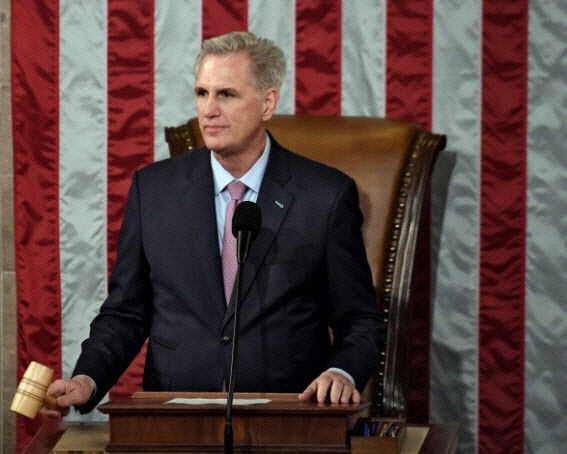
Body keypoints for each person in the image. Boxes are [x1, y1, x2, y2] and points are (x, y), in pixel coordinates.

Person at [41, 31, 385, 418]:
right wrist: (87, 379)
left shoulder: (325, 196)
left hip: (287, 416)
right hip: (175, 415)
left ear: (267, 102)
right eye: (202, 93)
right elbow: (126, 312)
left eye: (226, 94)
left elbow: (359, 318)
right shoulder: (153, 190)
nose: (208, 110)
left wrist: (341, 373)